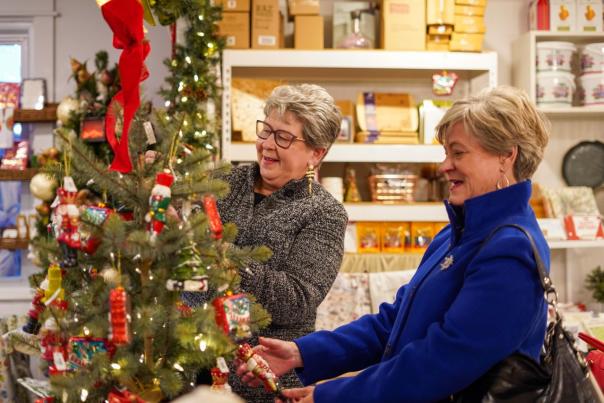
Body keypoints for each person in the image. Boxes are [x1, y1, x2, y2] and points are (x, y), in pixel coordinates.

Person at [237, 86, 551, 402]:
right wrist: (301, 352)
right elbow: (394, 322)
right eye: (446, 153)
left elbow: (439, 362)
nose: (444, 166)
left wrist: (330, 396)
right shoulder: (459, 233)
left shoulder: (510, 251)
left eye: (458, 153)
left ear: (505, 156)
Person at [185, 84, 348, 402]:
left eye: (283, 137)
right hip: (190, 367)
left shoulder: (325, 213)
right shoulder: (223, 182)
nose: (267, 145)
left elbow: (297, 299)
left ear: (317, 152)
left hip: (262, 379)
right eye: (266, 130)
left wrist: (227, 259)